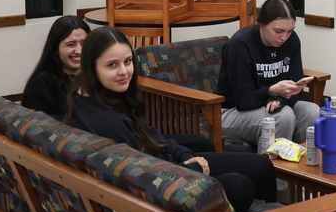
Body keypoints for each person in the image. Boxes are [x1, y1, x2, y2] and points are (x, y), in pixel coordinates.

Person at [65, 27, 275, 212]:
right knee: (240, 186)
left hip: (163, 166)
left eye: (127, 61)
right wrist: (192, 168)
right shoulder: (106, 122)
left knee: (260, 165)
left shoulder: (100, 95)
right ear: (91, 67)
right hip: (165, 191)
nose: (123, 71)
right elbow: (145, 181)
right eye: (112, 65)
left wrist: (185, 157)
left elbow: (148, 134)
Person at [23, 17, 215, 152]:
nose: (79, 50)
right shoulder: (43, 83)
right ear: (56, 49)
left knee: (201, 144)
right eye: (71, 44)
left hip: (128, 134)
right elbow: (44, 130)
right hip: (101, 142)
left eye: (84, 43)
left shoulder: (102, 78)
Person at [216, 0, 320, 145]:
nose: (284, 37)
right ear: (262, 24)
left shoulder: (292, 40)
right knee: (283, 116)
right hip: (232, 111)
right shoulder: (240, 45)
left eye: (289, 31)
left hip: (269, 103)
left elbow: (295, 86)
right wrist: (272, 91)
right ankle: (272, 160)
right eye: (278, 31)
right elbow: (243, 100)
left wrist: (281, 99)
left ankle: (301, 157)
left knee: (312, 111)